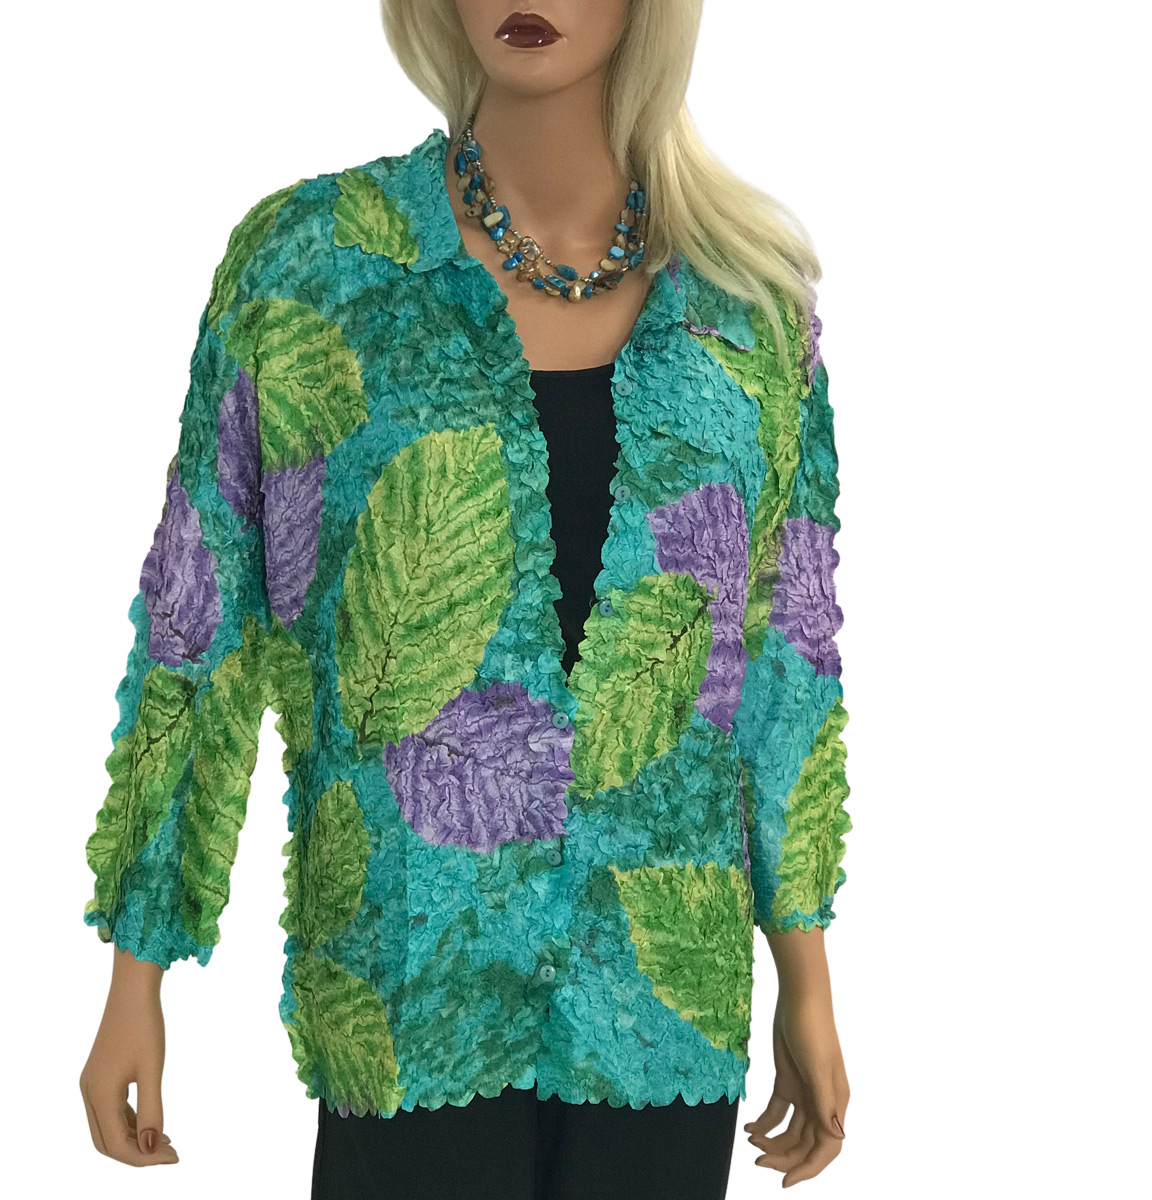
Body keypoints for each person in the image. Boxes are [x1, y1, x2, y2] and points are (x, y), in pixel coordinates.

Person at [78, 2, 853, 1195]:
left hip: (661, 1017)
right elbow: (201, 613)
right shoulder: (316, 267)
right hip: (409, 996)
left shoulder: (748, 307)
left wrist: (807, 973)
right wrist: (138, 968)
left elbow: (786, 671)